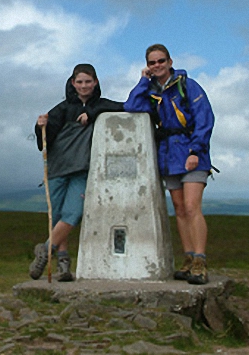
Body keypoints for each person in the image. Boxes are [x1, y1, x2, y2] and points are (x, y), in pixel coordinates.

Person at [124, 44, 215, 285]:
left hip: (191, 152)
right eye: (152, 63)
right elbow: (131, 106)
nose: (157, 66)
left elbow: (205, 118)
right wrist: (143, 81)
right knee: (179, 208)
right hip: (168, 155)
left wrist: (196, 150)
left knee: (192, 205)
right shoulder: (152, 90)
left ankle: (200, 260)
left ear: (170, 61)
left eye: (161, 61)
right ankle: (188, 258)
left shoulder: (188, 86)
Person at [30, 63, 123, 282]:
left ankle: (44, 251)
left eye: (88, 81)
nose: (84, 86)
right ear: (73, 83)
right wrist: (39, 126)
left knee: (73, 214)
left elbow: (126, 106)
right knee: (57, 218)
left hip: (82, 169)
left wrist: (91, 113)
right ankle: (63, 264)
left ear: (96, 82)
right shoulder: (61, 109)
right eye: (79, 82)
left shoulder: (102, 105)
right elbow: (45, 141)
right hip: (57, 169)